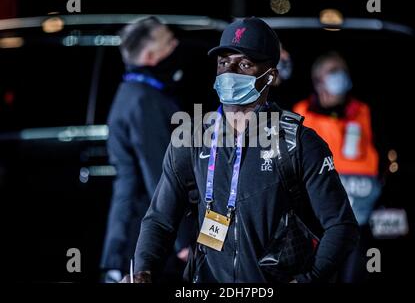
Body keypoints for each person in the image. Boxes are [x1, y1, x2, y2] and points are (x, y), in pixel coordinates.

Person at [123, 17, 359, 283]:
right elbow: (159, 220)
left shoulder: (298, 143)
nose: (230, 72)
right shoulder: (191, 139)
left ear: (269, 76)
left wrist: (309, 279)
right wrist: (143, 272)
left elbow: (342, 226)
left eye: (244, 64)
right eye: (224, 62)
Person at [100, 16, 193, 282]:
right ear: (151, 55)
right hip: (143, 236)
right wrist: (183, 239)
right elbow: (159, 172)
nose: (175, 45)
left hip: (131, 232)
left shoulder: (131, 92)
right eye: (169, 42)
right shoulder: (144, 101)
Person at [293, 52, 382, 282]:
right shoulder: (301, 113)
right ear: (318, 79)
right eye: (333, 71)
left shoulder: (363, 112)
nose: (339, 76)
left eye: (342, 71)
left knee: (356, 274)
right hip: (318, 217)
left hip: (358, 216)